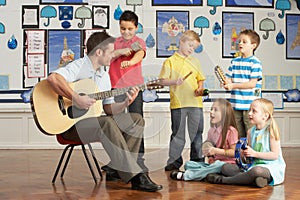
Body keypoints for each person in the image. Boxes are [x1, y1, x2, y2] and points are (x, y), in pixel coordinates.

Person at [46, 31, 162, 192]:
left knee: (136, 120)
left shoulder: (104, 75)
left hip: (93, 123)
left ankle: (116, 169)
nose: (113, 55)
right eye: (111, 52)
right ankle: (136, 176)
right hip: (70, 127)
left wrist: (126, 103)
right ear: (99, 52)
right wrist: (76, 98)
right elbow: (53, 79)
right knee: (106, 123)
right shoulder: (78, 66)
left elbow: (108, 109)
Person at [206, 98, 286, 188]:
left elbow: (274, 155)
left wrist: (255, 153)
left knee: (256, 171)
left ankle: (224, 180)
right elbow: (249, 157)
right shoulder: (250, 132)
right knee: (226, 167)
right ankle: (256, 180)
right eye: (249, 110)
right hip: (253, 165)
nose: (249, 113)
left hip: (270, 167)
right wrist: (243, 154)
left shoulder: (271, 132)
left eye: (254, 111)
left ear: (265, 116)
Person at [158, 30, 206, 171]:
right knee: (178, 135)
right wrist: (174, 81)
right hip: (178, 104)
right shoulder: (170, 61)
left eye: (194, 48)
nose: (191, 49)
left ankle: (197, 161)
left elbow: (200, 80)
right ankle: (174, 161)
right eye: (190, 45)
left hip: (196, 104)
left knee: (197, 134)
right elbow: (162, 81)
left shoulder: (195, 61)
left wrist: (199, 89)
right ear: (181, 41)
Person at [108, 10, 148, 172]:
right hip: (116, 88)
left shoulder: (138, 41)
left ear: (136, 28)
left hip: (134, 87)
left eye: (130, 29)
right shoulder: (115, 43)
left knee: (137, 122)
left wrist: (130, 61)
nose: (126, 32)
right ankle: (117, 160)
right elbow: (108, 56)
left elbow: (139, 53)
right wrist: (119, 52)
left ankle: (138, 159)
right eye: (123, 28)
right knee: (116, 124)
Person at [170, 98, 239, 181]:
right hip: (215, 164)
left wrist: (216, 151)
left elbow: (235, 153)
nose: (211, 112)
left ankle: (187, 176)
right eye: (211, 109)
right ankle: (206, 174)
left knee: (218, 165)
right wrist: (210, 157)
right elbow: (209, 148)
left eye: (215, 110)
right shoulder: (211, 131)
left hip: (228, 165)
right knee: (189, 164)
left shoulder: (231, 131)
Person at [223, 29, 263, 138]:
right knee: (237, 134)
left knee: (251, 134)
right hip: (235, 104)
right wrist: (227, 84)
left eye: (244, 42)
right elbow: (229, 79)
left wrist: (233, 85)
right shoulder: (234, 62)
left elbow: (252, 84)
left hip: (250, 105)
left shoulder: (255, 63)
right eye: (239, 41)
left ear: (253, 45)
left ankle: (252, 155)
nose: (240, 43)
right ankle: (240, 155)